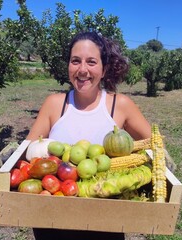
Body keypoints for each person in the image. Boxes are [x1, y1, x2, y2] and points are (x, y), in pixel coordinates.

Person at [26, 31, 151, 240]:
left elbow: (153, 145)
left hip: (105, 223)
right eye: (76, 61)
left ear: (104, 69)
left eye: (91, 62)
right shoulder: (54, 104)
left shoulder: (119, 106)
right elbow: (28, 154)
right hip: (53, 222)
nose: (82, 70)